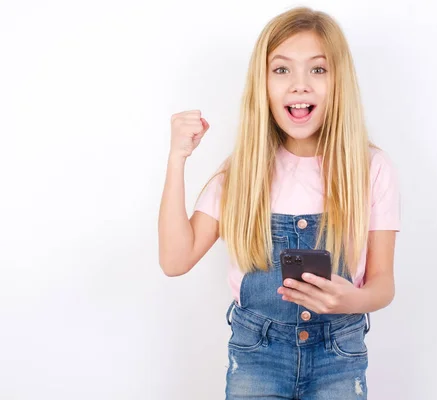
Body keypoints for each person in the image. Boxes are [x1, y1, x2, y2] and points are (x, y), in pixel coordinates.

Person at [158, 6, 400, 399]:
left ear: (339, 81)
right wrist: (176, 159)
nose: (300, 85)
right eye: (282, 69)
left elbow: (383, 283)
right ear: (263, 84)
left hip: (338, 353)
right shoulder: (242, 174)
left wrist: (352, 300)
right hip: (257, 356)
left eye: (318, 70)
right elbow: (174, 260)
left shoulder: (370, 168)